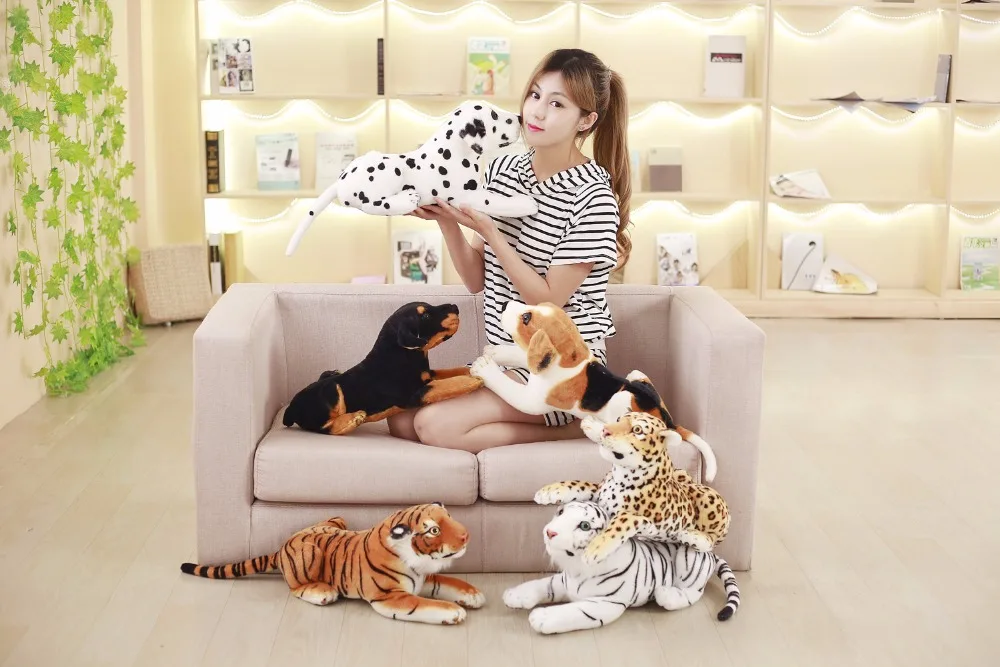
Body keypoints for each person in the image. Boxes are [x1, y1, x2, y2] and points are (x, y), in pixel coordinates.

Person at [387, 48, 632, 453]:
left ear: (586, 120)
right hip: (508, 358)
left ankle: (577, 425)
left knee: (433, 425)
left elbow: (548, 302)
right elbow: (475, 280)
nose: (536, 111)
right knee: (399, 420)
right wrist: (446, 219)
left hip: (563, 367)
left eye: (557, 104)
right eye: (535, 95)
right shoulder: (503, 171)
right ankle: (561, 424)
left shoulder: (593, 198)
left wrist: (493, 234)